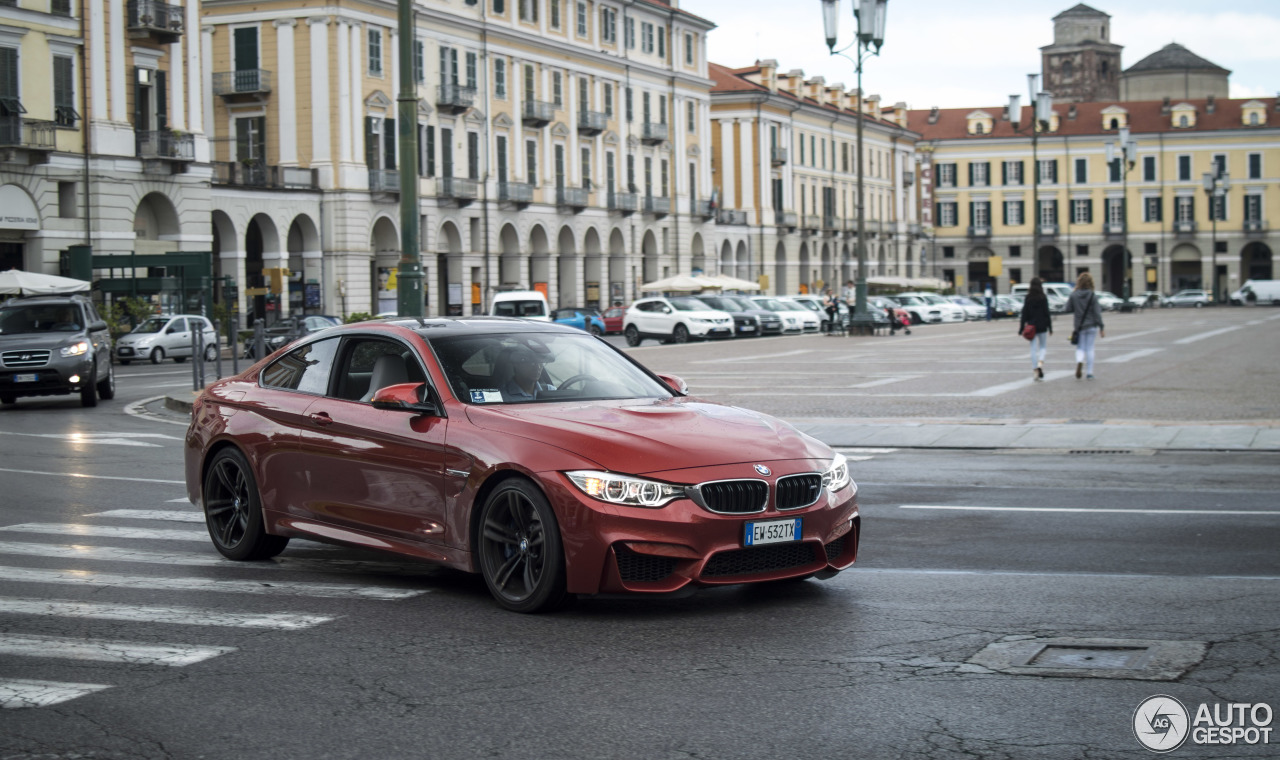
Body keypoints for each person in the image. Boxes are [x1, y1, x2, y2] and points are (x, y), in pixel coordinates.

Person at [1064, 271, 1105, 380]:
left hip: (1079, 326)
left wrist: (1077, 307)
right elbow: (1097, 313)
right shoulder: (1092, 295)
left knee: (1080, 348)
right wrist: (1101, 327)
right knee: (1090, 348)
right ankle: (1090, 373)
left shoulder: (1074, 295)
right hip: (1092, 326)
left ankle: (1079, 361)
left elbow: (1067, 309)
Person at [1018, 278, 1053, 381]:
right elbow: (1047, 313)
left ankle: (1035, 370)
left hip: (1031, 327)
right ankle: (1040, 364)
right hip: (1042, 325)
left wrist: (1021, 328)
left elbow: (1024, 313)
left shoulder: (1028, 298)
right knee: (1043, 347)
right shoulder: (1043, 297)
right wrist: (1050, 327)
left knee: (1033, 349)